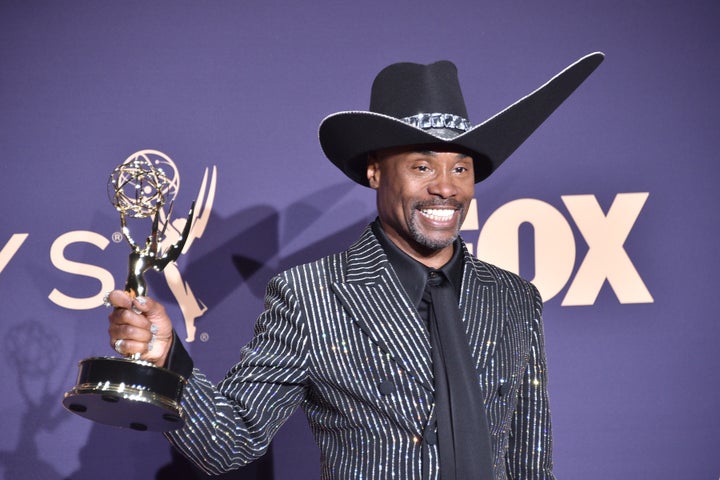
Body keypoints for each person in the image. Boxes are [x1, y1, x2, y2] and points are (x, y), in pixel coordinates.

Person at [106, 52, 604, 479]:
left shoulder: (513, 299)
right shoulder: (310, 295)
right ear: (374, 172)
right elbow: (229, 443)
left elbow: (530, 460)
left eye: (461, 168)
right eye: (422, 166)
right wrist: (168, 358)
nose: (446, 187)